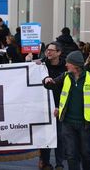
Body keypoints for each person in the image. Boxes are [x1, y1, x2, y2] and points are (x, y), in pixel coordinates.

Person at [43, 51, 90, 170]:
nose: (66, 65)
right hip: (67, 122)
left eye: (68, 63)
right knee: (71, 154)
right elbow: (51, 84)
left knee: (86, 153)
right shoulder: (65, 76)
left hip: (85, 123)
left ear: (75, 65)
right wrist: (46, 80)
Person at [36, 42, 66, 170]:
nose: (48, 52)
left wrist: (61, 106)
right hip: (44, 105)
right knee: (45, 135)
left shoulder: (65, 66)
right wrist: (28, 60)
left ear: (59, 52)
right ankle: (45, 162)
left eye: (52, 50)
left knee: (60, 136)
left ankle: (59, 164)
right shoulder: (40, 65)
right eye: (47, 50)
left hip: (60, 105)